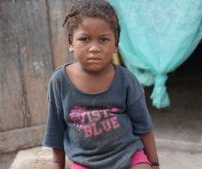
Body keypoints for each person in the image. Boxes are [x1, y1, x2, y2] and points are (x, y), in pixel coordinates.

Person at [42, 0, 159, 168]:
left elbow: (143, 125)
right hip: (85, 161)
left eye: (103, 40)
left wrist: (154, 163)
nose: (94, 48)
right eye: (85, 39)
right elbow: (55, 129)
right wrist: (57, 164)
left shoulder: (126, 80)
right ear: (70, 43)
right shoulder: (60, 81)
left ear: (116, 45)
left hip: (128, 154)